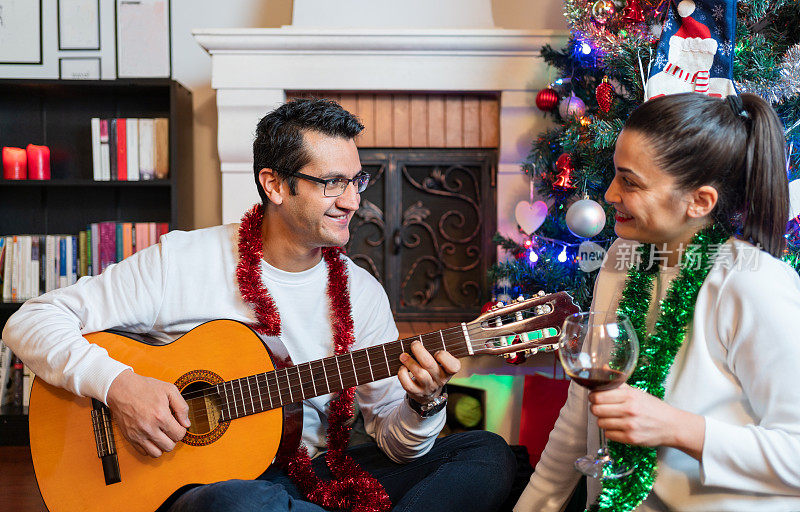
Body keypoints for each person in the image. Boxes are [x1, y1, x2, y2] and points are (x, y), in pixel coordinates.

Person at [3, 98, 515, 512]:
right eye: (331, 182)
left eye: (356, 180)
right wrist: (120, 386)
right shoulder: (183, 260)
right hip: (202, 485)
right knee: (241, 501)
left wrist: (424, 402)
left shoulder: (361, 294)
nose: (354, 200)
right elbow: (30, 321)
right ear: (274, 184)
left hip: (318, 473)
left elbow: (395, 442)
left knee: (488, 455)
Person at [515, 92, 800, 511]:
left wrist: (679, 428)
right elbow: (580, 419)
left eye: (630, 181)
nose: (610, 194)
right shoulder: (621, 258)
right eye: (615, 174)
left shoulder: (752, 283)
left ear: (699, 201)